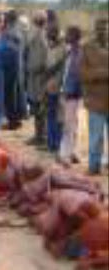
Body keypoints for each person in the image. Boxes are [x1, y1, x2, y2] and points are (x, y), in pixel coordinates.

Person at [80, 16, 109, 175]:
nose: (103, 31)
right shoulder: (87, 47)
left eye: (105, 28)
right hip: (95, 101)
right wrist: (103, 73)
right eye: (100, 28)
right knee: (95, 137)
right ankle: (94, 166)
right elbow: (82, 74)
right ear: (94, 29)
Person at [58, 26, 83, 167]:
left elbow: (77, 76)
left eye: (68, 34)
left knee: (69, 125)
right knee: (73, 123)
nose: (65, 36)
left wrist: (67, 92)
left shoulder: (78, 53)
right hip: (69, 92)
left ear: (74, 36)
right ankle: (72, 152)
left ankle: (65, 155)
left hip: (72, 94)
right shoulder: (70, 51)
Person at [26, 11, 48, 147]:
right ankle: (38, 135)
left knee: (40, 108)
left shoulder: (43, 36)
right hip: (34, 76)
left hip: (40, 77)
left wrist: (38, 69)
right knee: (35, 106)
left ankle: (41, 136)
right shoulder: (35, 34)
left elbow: (46, 57)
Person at [0, 10, 23, 130]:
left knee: (9, 95)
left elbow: (11, 47)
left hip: (10, 67)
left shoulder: (11, 31)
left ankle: (13, 121)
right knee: (13, 94)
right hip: (13, 66)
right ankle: (14, 119)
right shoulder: (14, 29)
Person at [45, 26, 66, 154]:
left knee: (59, 117)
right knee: (51, 115)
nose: (49, 34)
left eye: (51, 32)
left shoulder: (63, 49)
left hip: (59, 87)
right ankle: (51, 143)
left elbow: (59, 70)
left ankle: (57, 143)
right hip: (50, 86)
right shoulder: (51, 47)